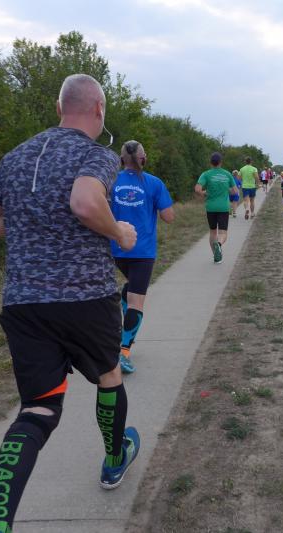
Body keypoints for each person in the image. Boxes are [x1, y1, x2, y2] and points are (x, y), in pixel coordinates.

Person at [0, 73, 143, 533]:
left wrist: (31, 226)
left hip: (24, 304)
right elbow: (85, 202)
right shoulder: (95, 154)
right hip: (85, 296)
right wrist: (119, 233)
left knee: (38, 409)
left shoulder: (16, 156)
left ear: (59, 107)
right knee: (108, 377)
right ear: (99, 109)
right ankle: (114, 458)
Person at [110, 140, 174, 374]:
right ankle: (124, 352)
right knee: (137, 302)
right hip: (143, 251)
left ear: (121, 159)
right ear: (143, 159)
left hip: (116, 249)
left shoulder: (110, 181)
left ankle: (126, 302)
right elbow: (169, 217)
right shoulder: (154, 183)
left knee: (131, 290)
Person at [195, 152, 239, 264]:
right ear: (221, 162)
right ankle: (219, 244)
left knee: (213, 232)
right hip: (223, 207)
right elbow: (235, 191)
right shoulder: (227, 174)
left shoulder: (206, 174)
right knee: (223, 232)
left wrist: (205, 193)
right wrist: (226, 190)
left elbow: (197, 189)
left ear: (210, 162)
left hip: (211, 207)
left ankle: (216, 256)